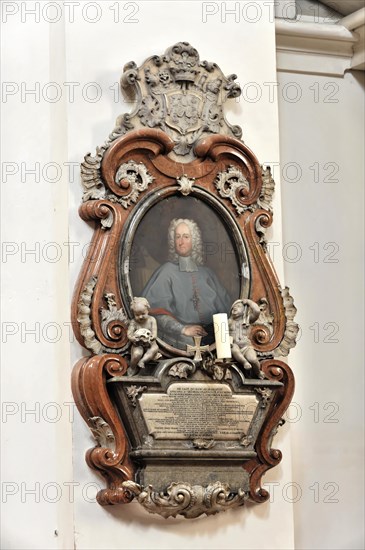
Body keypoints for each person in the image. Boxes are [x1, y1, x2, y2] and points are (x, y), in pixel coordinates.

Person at [142, 218, 231, 350]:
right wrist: (183, 329)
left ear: (194, 240)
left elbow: (226, 311)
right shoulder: (166, 272)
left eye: (186, 237)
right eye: (177, 237)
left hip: (213, 336)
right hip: (181, 337)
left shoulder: (207, 273)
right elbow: (155, 313)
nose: (181, 242)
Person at [228, 298, 264, 379]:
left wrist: (248, 302)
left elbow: (257, 311)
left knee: (253, 359)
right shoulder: (229, 322)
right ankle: (245, 362)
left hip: (246, 347)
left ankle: (258, 372)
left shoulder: (247, 320)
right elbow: (222, 334)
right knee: (234, 348)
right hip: (235, 345)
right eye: (234, 307)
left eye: (238, 306)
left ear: (244, 311)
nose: (235, 308)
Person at [127, 297, 160, 375]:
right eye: (137, 315)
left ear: (148, 311)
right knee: (137, 354)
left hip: (150, 343)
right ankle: (132, 367)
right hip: (138, 343)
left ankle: (143, 361)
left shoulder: (152, 320)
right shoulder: (133, 322)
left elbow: (154, 332)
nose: (140, 317)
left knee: (154, 349)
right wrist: (133, 338)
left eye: (143, 314)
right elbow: (129, 333)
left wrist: (153, 337)